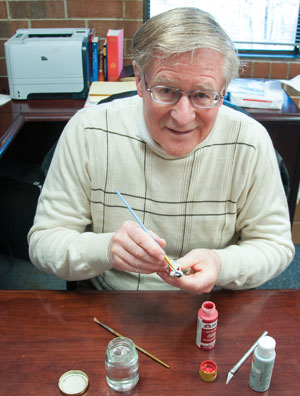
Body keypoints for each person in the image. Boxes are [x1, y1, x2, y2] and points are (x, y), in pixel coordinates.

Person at [28, 7, 294, 293]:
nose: (182, 116)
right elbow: (44, 244)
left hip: (211, 307)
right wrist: (106, 249)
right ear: (141, 82)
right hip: (112, 302)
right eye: (166, 90)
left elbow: (275, 246)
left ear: (223, 90)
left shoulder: (250, 141)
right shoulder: (88, 131)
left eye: (202, 95)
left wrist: (220, 264)